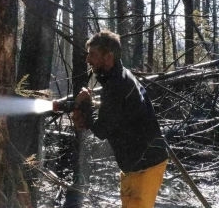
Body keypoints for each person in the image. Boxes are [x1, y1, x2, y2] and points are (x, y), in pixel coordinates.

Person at [72, 29, 168, 208]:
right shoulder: (119, 78)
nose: (87, 60)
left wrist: (86, 104)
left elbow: (102, 130)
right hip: (137, 165)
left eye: (93, 54)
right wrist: (87, 109)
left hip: (145, 166)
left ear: (108, 57)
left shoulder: (118, 84)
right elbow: (115, 116)